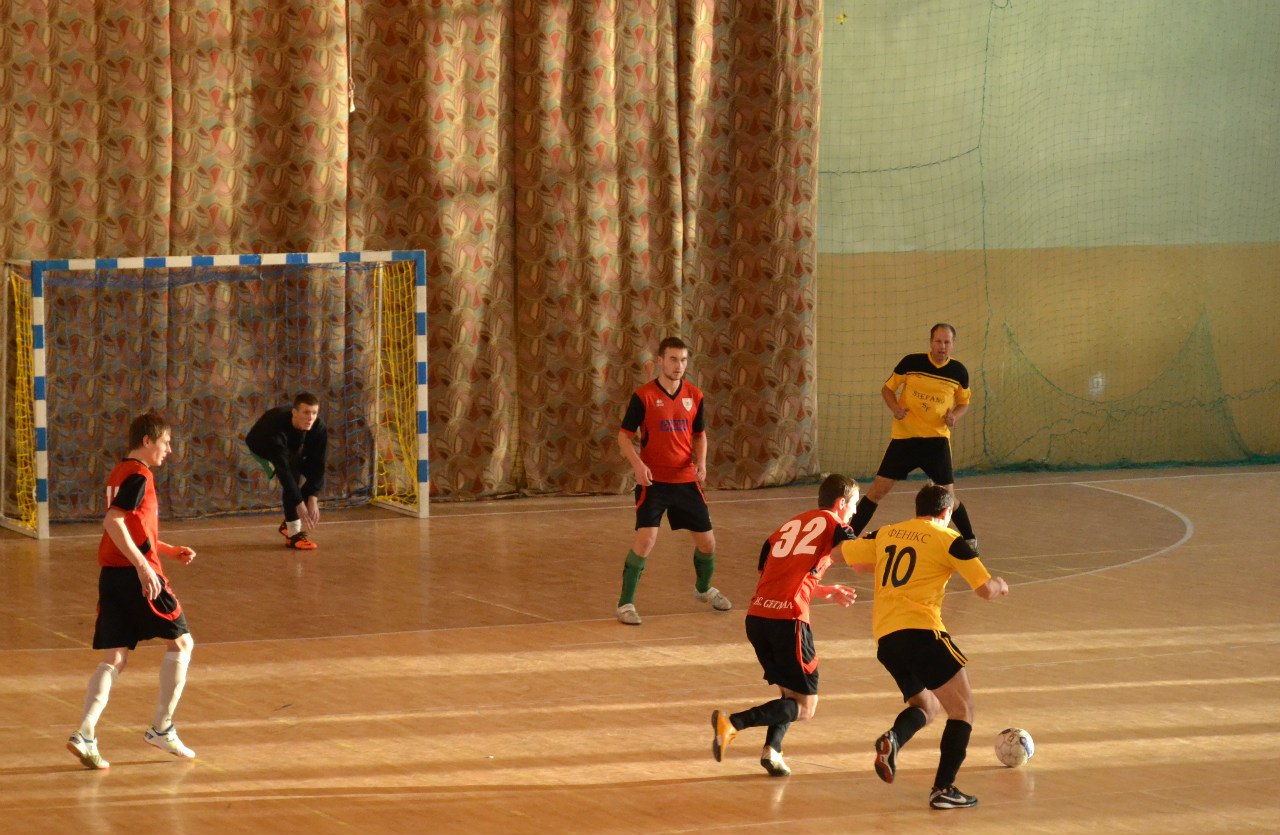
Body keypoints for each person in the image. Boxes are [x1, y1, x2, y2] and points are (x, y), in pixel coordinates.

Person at [839, 483, 1009, 810]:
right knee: (963, 709)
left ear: (918, 509)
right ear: (946, 512)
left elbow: (852, 561)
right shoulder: (950, 539)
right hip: (922, 633)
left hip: (887, 640)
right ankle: (943, 789)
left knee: (927, 706)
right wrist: (999, 585)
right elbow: (984, 590)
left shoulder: (887, 532)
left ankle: (894, 738)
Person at [66, 411, 200, 769]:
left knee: (115, 658)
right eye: (165, 442)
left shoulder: (119, 471)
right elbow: (113, 521)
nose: (168, 450)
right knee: (182, 644)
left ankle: (85, 733)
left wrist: (168, 550)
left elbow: (133, 527)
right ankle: (162, 728)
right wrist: (144, 568)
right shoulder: (140, 475)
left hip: (112, 575)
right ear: (147, 441)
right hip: (137, 576)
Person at [710, 474, 860, 777]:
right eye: (855, 504)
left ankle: (773, 751)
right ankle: (733, 723)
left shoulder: (786, 527)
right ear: (841, 503)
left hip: (757, 618)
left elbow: (775, 575)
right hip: (788, 621)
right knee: (805, 707)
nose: (855, 511)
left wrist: (821, 589)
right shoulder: (835, 524)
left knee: (790, 695)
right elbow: (855, 556)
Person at [615, 336, 730, 625]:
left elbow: (700, 435)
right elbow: (623, 437)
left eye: (683, 360)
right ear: (660, 361)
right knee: (646, 540)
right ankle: (625, 604)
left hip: (685, 480)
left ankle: (703, 589)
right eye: (673, 359)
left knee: (708, 544)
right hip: (653, 482)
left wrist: (701, 462)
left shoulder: (695, 395)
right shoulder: (643, 396)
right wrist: (638, 465)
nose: (679, 365)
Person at [850, 323, 978, 549]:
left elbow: (964, 403)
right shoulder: (911, 363)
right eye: (938, 341)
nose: (942, 346)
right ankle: (848, 537)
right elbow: (887, 389)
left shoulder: (958, 372)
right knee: (878, 490)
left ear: (952, 345)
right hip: (905, 440)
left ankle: (969, 538)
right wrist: (895, 408)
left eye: (947, 342)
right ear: (931, 342)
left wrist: (954, 417)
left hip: (936, 442)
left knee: (948, 496)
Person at [246, 392, 327, 550]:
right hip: (261, 445)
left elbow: (319, 464)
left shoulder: (319, 427)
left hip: (291, 446)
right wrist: (299, 504)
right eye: (306, 412)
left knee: (312, 471)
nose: (310, 418)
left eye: (314, 413)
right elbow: (285, 474)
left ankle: (287, 525)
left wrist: (312, 497)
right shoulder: (276, 430)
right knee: (292, 472)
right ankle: (293, 535)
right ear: (294, 412)